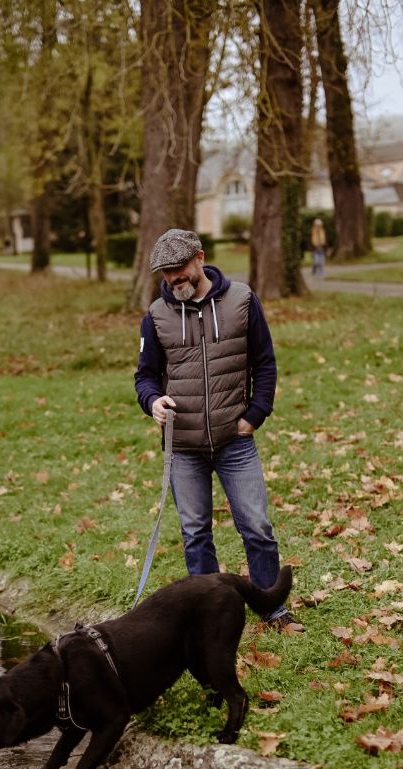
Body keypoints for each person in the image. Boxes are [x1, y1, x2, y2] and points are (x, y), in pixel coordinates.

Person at [134, 227, 304, 632]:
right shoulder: (157, 316)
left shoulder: (242, 300)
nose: (174, 280)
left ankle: (273, 609)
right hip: (184, 448)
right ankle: (211, 618)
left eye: (179, 270)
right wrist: (152, 401)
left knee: (257, 527)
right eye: (166, 275)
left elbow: (264, 363)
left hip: (235, 441)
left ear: (199, 258)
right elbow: (146, 377)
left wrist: (255, 414)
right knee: (195, 534)